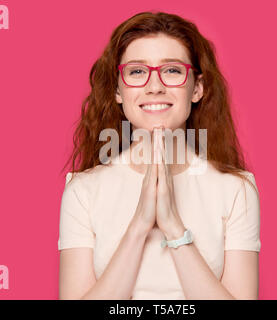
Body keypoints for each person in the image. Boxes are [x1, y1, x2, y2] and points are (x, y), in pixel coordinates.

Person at [58, 11, 261, 300]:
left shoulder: (236, 189)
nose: (155, 86)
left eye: (173, 71)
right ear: (118, 90)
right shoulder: (83, 191)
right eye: (137, 72)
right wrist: (140, 225)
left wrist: (173, 226)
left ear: (197, 88)